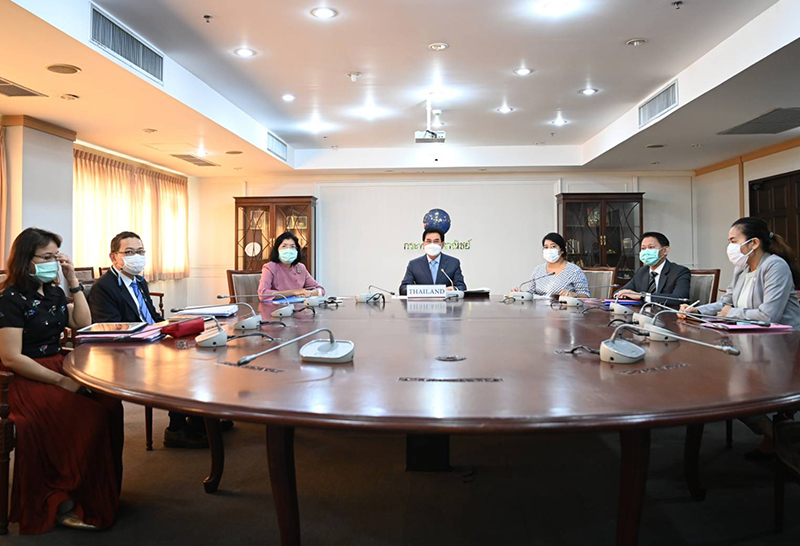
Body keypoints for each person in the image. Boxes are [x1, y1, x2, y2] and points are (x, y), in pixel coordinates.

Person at [0, 227, 123, 533]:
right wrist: (60, 382)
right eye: (46, 257)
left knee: (110, 405)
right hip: (24, 375)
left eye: (56, 256)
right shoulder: (9, 298)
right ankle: (61, 498)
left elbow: (83, 322)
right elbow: (11, 358)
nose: (53, 263)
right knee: (87, 416)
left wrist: (74, 282)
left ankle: (93, 492)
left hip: (58, 365)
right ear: (26, 259)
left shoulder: (53, 292)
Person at [680, 217, 800, 460]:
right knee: (725, 386)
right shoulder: (742, 268)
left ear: (753, 243)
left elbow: (768, 315)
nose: (730, 247)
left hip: (784, 345)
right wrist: (697, 311)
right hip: (753, 341)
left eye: (734, 241)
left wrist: (730, 313)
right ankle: (776, 439)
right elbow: (725, 303)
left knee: (736, 392)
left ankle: (780, 442)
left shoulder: (774, 266)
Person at [88, 231, 210, 449]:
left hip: (153, 340)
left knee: (197, 354)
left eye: (141, 251)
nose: (137, 257)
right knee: (178, 366)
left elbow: (152, 316)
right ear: (114, 257)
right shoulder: (103, 288)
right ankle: (176, 429)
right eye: (129, 252)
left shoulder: (138, 281)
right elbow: (113, 330)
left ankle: (200, 418)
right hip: (128, 352)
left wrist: (173, 326)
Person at [614, 231, 690, 305]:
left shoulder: (679, 271)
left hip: (667, 312)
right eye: (643, 248)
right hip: (642, 312)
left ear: (665, 250)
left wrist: (643, 296)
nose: (646, 252)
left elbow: (680, 298)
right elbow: (622, 291)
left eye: (651, 247)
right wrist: (620, 294)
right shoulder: (641, 271)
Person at [510, 232, 589, 297]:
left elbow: (585, 296)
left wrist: (573, 295)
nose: (549, 250)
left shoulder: (574, 271)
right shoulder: (538, 270)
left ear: (561, 250)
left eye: (553, 246)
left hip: (563, 310)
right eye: (546, 247)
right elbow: (530, 293)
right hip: (538, 310)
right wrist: (519, 293)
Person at [399, 227, 467, 295]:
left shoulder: (453, 263)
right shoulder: (414, 264)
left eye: (436, 241)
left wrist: (454, 289)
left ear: (442, 244)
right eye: (428, 241)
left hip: (446, 301)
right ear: (423, 244)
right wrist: (416, 290)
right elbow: (403, 288)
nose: (432, 245)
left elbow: (462, 287)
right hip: (422, 301)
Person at [258, 231, 325, 300]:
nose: (288, 250)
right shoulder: (269, 267)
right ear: (277, 249)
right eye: (284, 246)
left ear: (297, 250)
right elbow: (263, 294)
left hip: (300, 305)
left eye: (292, 246)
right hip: (277, 306)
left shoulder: (300, 267)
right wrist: (295, 292)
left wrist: (310, 293)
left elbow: (321, 290)